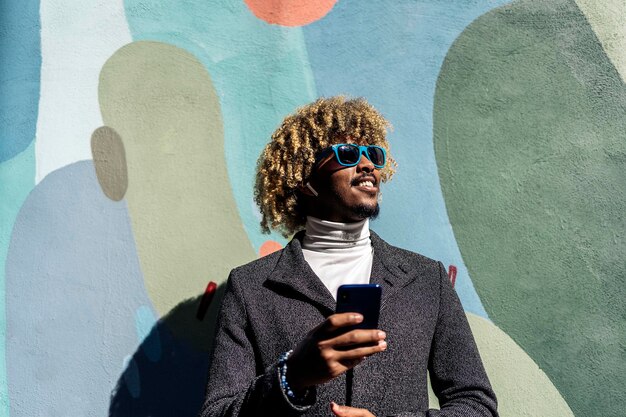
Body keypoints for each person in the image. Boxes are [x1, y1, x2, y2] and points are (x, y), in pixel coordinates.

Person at [199, 96, 498, 417]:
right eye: (349, 154)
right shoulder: (250, 287)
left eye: (374, 154)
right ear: (303, 178)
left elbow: (476, 404)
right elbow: (217, 413)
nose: (368, 164)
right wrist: (291, 376)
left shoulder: (427, 279)